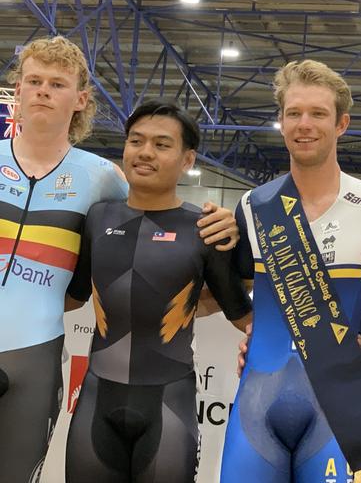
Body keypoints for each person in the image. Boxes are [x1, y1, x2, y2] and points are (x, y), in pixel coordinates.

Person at [0, 36, 237, 482]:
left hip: (39, 358)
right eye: (33, 80)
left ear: (81, 99)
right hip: (89, 381)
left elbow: (151, 243)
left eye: (56, 83)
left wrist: (225, 228)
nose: (43, 91)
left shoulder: (101, 179)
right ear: (17, 88)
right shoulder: (102, 194)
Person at [221, 60, 361, 483]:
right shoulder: (253, 206)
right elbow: (240, 288)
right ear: (281, 121)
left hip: (339, 410)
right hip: (257, 403)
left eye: (318, 114)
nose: (304, 125)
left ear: (342, 123)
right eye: (294, 113)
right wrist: (254, 329)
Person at [64, 98, 253, 483]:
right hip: (96, 401)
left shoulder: (206, 229)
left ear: (187, 159)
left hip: (169, 406)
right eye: (136, 141)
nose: (145, 152)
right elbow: (70, 297)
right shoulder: (97, 217)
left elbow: (243, 316)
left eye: (162, 144)